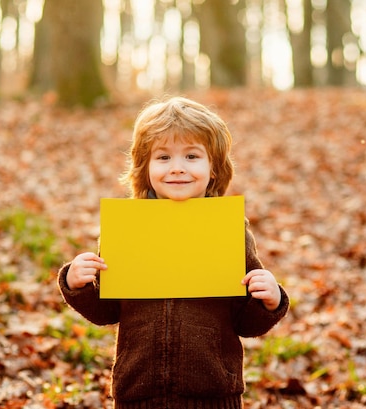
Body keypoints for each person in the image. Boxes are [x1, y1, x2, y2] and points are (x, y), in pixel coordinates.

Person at [57, 96, 289, 409]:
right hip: (138, 393)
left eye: (192, 156)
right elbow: (106, 311)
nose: (177, 169)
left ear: (214, 169)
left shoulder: (229, 230)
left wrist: (268, 300)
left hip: (213, 395)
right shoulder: (128, 228)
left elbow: (245, 323)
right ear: (145, 167)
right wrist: (78, 284)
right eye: (163, 158)